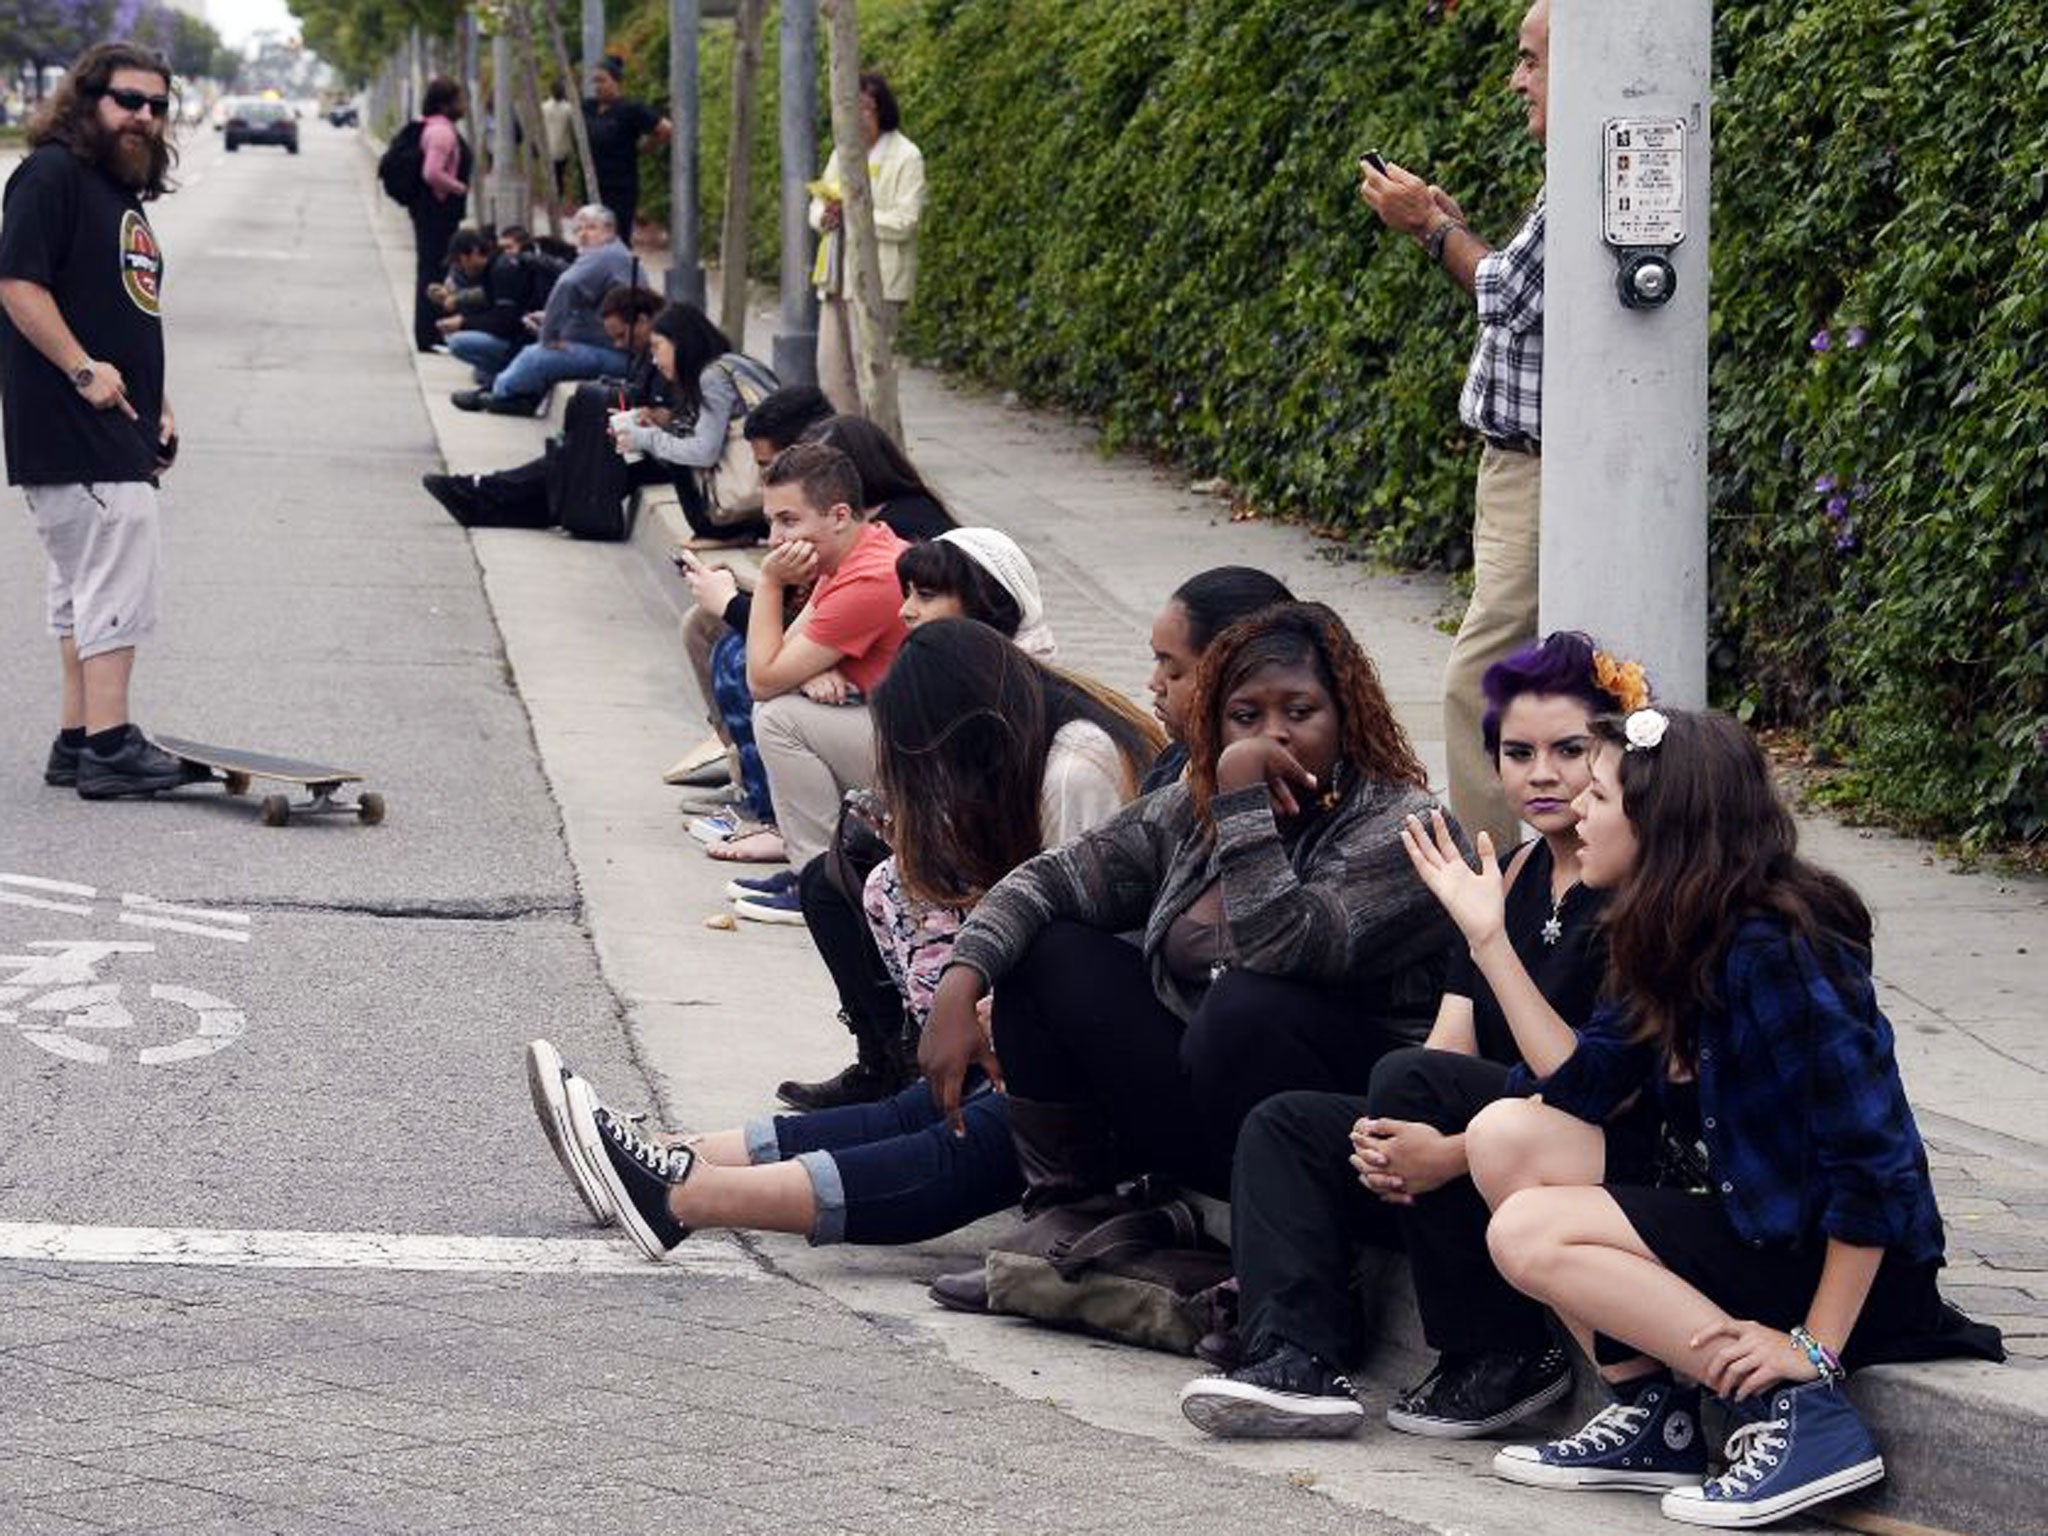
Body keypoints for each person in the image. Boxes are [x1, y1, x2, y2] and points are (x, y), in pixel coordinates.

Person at [1435, 708, 2004, 1527]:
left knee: (1528, 1231)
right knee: (1504, 1134)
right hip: (1746, 1226)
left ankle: (1797, 1414)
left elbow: (1871, 1163)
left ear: (1661, 823)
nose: (1576, 811)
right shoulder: (1662, 929)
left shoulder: (1778, 949)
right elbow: (1583, 1086)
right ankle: (1652, 1419)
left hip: (1843, 1270)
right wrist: (1490, 941)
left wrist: (1813, 1347)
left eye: (1598, 794)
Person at [524, 619, 1157, 1259]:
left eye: (1174, 667)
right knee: (925, 1108)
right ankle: (674, 1156)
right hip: (1092, 1030)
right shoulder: (1053, 745)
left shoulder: (1076, 771)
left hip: (1118, 1068)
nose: (1157, 684)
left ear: (966, 732)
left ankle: (678, 1198)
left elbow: (1085, 934)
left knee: (964, 1137)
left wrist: (988, 1005)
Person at [1178, 634, 1649, 1439]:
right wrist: (1382, 1137)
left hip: (1586, 1144)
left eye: (1569, 750)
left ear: (1613, 759)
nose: (1540, 773)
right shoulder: (1513, 873)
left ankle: (1501, 1354)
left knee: (1410, 1086)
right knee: (1291, 1126)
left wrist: (1450, 1147)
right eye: (1517, 752)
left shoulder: (1641, 890)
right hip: (1489, 1126)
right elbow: (1449, 1044)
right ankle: (1294, 1357)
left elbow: (1612, 1092)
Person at [921, 602, 1461, 1219]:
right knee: (1048, 951)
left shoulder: (1402, 824)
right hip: (1207, 1096)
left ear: (1346, 717)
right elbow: (1055, 877)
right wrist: (959, 983)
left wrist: (1243, 799)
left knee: (1244, 1004)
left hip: (1344, 1131)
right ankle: (1069, 1212)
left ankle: (1267, 1235)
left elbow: (1280, 947)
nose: (1273, 734)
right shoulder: (1195, 804)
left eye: (1301, 712)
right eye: (1246, 716)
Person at [770, 527, 1077, 1107]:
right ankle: (889, 1058)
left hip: (1016, 904)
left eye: (928, 595)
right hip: (967, 875)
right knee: (828, 878)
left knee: (891, 881)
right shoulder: (944, 677)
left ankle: (946, 1070)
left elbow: (1043, 854)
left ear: (988, 605)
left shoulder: (1028, 692)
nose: (907, 611)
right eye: (907, 592)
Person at [1359, 0, 1548, 854]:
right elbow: (1520, 282)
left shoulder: (1593, 169)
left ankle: (1491, 871)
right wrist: (1452, 228)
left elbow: (1506, 292)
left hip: (1540, 474)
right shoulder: (1583, 169)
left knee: (1478, 679)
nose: (1517, 80)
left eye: (1532, 60)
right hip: (1520, 468)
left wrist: (1431, 227)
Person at [0, 41, 191, 798]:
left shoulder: (118, 190)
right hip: (72, 421)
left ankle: (78, 738)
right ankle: (112, 747)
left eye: (156, 105)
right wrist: (83, 371)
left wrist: (162, 403)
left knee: (84, 582)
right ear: (87, 100)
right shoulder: (51, 175)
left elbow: (127, 309)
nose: (143, 117)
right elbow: (17, 285)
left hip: (116, 420)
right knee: (116, 571)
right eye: (127, 101)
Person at [741, 442, 911, 884]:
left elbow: (762, 680)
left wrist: (769, 581)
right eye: (772, 522)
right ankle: (823, 867)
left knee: (778, 717)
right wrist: (809, 671)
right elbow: (782, 657)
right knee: (781, 707)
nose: (775, 539)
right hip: (899, 737)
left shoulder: (871, 577)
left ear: (838, 515)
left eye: (789, 520)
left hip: (928, 765)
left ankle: (822, 881)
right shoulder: (852, 553)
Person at [667, 386, 836, 791]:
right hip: (827, 641)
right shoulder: (814, 504)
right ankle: (739, 763)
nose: (763, 479)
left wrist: (730, 600)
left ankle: (766, 797)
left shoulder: (842, 519)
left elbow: (778, 659)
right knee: (704, 623)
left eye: (768, 465)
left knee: (735, 653)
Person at [419, 285, 663, 528]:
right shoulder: (649, 351)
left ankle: (480, 488)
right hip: (641, 444)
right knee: (567, 455)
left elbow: (675, 413)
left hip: (658, 456)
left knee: (571, 459)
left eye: (622, 336)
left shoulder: (669, 349)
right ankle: (486, 504)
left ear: (642, 320)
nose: (619, 345)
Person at [807, 73, 925, 415]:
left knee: (870, 370)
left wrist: (857, 218)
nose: (857, 116)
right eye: (850, 107)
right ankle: (849, 440)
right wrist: (824, 216)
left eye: (866, 108)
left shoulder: (906, 156)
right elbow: (818, 204)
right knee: (831, 371)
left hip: (879, 280)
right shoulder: (843, 152)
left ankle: (880, 441)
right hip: (835, 276)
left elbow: (905, 222)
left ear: (882, 111)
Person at [609, 302, 777, 541]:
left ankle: (725, 529)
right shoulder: (735, 363)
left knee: (679, 452)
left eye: (657, 348)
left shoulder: (713, 378)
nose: (655, 361)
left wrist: (646, 439)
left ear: (680, 342)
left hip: (747, 497)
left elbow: (704, 452)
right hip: (769, 490)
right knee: (676, 438)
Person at [452, 204, 634, 416]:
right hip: (600, 346)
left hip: (613, 354)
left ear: (609, 231)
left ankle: (499, 393)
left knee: (537, 355)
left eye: (591, 228)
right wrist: (547, 318)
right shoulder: (612, 255)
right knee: (534, 348)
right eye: (579, 229)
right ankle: (511, 395)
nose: (583, 234)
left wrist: (549, 334)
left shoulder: (604, 256)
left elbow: (566, 286)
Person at [1145, 566, 1297, 793]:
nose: (1155, 684)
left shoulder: (1296, 795)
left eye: (1174, 670)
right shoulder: (1173, 765)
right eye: (1158, 661)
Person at [408, 77, 471, 354]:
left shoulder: (433, 127)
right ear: (446, 104)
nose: (463, 105)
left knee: (433, 268)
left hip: (433, 211)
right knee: (433, 270)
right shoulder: (442, 132)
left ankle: (430, 332)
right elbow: (431, 172)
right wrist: (457, 188)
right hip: (437, 212)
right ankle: (428, 334)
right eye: (459, 100)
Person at [435, 229, 543, 386]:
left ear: (475, 252)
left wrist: (464, 323)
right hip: (518, 333)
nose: (462, 268)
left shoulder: (502, 270)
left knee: (458, 343)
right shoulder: (492, 268)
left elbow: (505, 322)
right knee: (481, 372)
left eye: (462, 261)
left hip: (524, 337)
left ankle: (507, 371)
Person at [582, 56, 669, 246]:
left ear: (616, 81)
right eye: (594, 81)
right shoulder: (587, 108)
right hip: (591, 185)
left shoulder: (630, 109)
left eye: (602, 80)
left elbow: (665, 129)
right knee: (590, 238)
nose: (597, 86)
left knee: (615, 239)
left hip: (620, 187)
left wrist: (643, 148)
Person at [541, 77, 575, 204]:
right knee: (559, 175)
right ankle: (558, 199)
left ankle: (552, 199)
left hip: (548, 147)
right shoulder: (569, 108)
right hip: (563, 149)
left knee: (552, 175)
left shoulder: (544, 107)